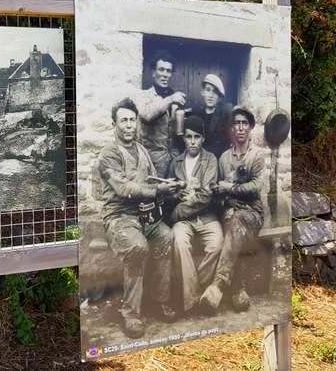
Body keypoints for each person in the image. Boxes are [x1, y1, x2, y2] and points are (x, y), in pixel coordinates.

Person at [96, 98, 183, 338]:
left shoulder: (142, 149)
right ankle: (130, 313)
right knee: (137, 247)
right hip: (120, 217)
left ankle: (159, 300)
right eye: (123, 120)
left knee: (166, 236)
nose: (128, 125)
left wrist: (170, 186)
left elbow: (153, 180)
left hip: (145, 216)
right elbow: (124, 189)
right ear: (114, 123)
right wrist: (157, 191)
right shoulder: (109, 155)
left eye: (132, 120)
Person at [200, 106, 265, 313]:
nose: (240, 127)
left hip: (252, 212)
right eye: (236, 123)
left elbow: (256, 186)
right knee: (232, 225)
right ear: (231, 128)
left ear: (251, 127)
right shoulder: (224, 158)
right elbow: (219, 192)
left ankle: (219, 285)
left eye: (244, 123)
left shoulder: (257, 156)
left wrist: (232, 188)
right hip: (230, 211)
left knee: (236, 223)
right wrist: (222, 192)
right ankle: (238, 291)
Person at [166, 116, 223, 314]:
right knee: (179, 242)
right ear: (184, 139)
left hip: (206, 216)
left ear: (203, 139)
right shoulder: (176, 162)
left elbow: (206, 195)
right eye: (188, 136)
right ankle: (192, 301)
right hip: (184, 222)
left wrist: (179, 209)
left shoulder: (210, 160)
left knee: (217, 243)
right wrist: (176, 194)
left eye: (196, 137)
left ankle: (196, 289)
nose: (192, 141)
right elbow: (169, 192)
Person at [139, 50, 186, 178]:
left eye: (168, 71)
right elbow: (146, 115)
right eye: (161, 70)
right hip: (152, 162)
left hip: (174, 162)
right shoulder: (145, 96)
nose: (165, 74)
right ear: (153, 72)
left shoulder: (174, 97)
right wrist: (170, 100)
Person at [192, 74, 232, 158]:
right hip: (198, 159)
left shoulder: (224, 115)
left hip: (217, 159)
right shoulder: (196, 114)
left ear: (219, 96)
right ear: (202, 92)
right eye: (208, 90)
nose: (211, 95)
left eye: (215, 92)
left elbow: (226, 143)